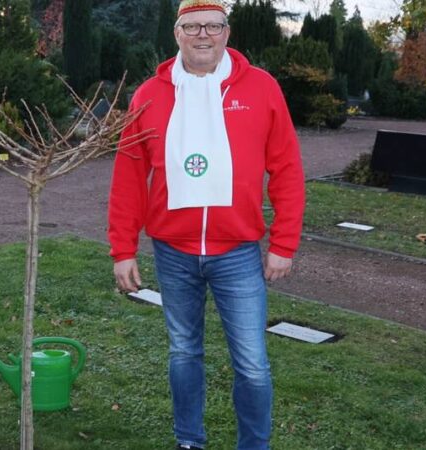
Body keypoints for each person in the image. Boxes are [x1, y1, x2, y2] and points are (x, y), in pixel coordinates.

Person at [107, 0, 305, 449]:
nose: (203, 35)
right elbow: (129, 177)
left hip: (237, 251)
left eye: (213, 26)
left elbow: (287, 169)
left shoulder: (261, 88)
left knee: (252, 363)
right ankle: (189, 441)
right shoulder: (149, 95)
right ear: (176, 33)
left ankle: (254, 445)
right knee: (183, 352)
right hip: (173, 251)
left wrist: (284, 243)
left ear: (227, 32)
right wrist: (123, 248)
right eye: (192, 26)